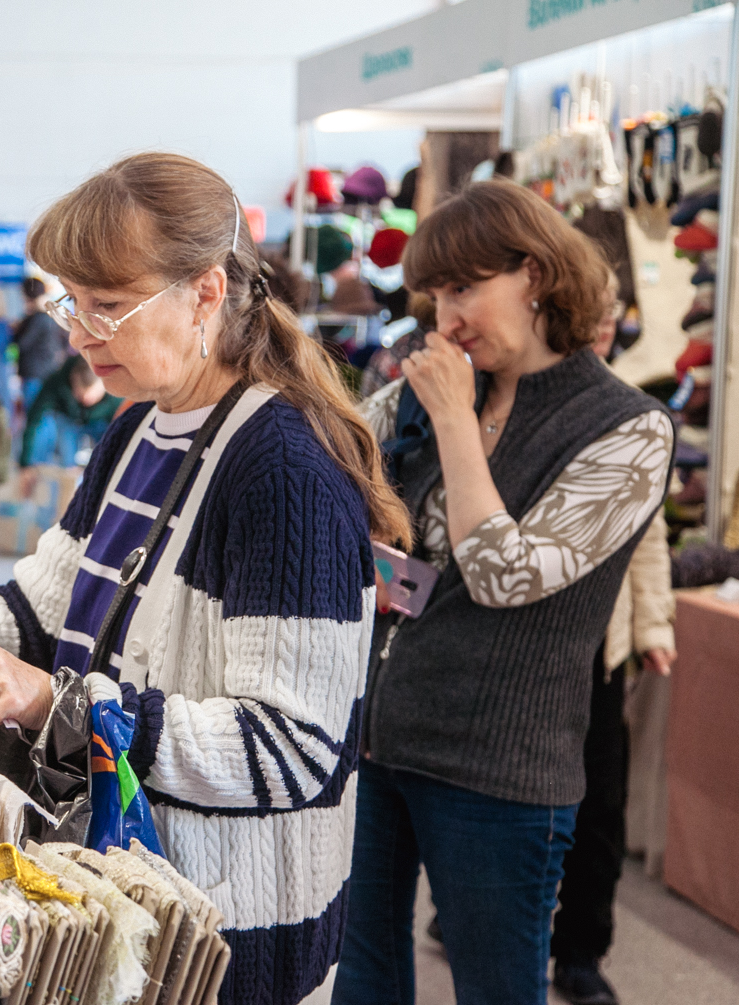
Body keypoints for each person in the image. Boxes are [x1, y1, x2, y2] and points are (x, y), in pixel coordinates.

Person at [0, 153, 410, 1005]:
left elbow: (293, 747)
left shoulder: (281, 470)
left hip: (225, 936)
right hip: (128, 896)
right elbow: (34, 624)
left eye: (108, 306)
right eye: (71, 302)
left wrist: (64, 706)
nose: (79, 331)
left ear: (205, 291)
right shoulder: (136, 433)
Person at [338, 181, 674, 1005]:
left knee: (495, 989)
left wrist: (454, 421)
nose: (445, 317)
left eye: (464, 289)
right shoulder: (427, 393)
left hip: (500, 771)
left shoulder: (627, 427)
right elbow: (330, 457)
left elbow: (505, 573)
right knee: (363, 981)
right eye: (436, 294)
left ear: (534, 275)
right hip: (379, 740)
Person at [547, 269, 676, 1005]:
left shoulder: (631, 414)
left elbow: (648, 537)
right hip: (531, 639)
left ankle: (582, 947)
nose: (599, 331)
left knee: (600, 803)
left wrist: (654, 623)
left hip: (605, 642)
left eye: (608, 320)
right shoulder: (517, 398)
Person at [19, 354, 122, 474]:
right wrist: (26, 464)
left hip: (101, 423)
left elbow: (121, 431)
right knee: (68, 465)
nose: (85, 400)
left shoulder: (117, 395)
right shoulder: (56, 382)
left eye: (92, 398)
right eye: (80, 395)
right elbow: (34, 420)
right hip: (68, 421)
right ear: (73, 378)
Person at [13, 276, 68, 409]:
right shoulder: (51, 314)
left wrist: (16, 330)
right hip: (48, 368)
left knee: (34, 412)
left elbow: (23, 343)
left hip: (35, 371)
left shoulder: (36, 318)